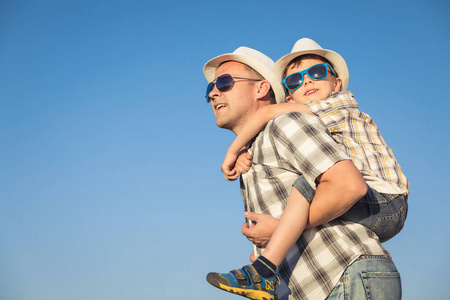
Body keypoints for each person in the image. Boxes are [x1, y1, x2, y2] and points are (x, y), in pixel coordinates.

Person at [203, 45, 401, 300]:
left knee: (304, 186)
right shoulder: (257, 149)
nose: (214, 92)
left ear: (262, 88)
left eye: (224, 82)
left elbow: (348, 186)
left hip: (342, 277)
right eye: (210, 88)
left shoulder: (286, 123)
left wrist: (278, 230)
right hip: (321, 286)